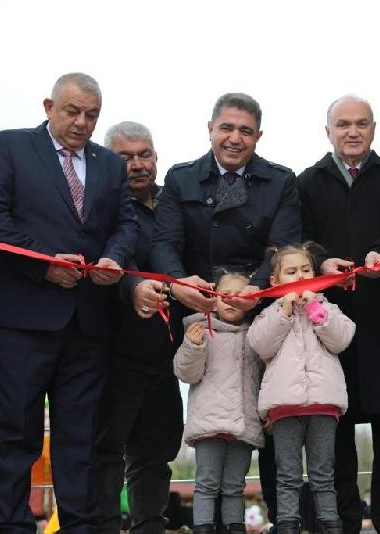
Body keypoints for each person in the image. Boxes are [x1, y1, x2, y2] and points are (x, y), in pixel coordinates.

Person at [0, 72, 138, 532]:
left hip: (87, 325)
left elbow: (126, 224)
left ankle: (78, 527)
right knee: (15, 435)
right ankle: (10, 526)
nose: (82, 122)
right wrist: (43, 264)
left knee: (80, 440)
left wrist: (114, 258)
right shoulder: (9, 146)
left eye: (92, 115)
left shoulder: (109, 164)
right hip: (18, 322)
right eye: (72, 111)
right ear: (49, 107)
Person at [151, 92, 300, 525]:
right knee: (204, 417)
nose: (235, 138)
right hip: (200, 314)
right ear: (210, 129)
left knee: (271, 419)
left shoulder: (281, 181)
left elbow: (283, 246)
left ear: (258, 136)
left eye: (246, 131)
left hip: (263, 315)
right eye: (227, 128)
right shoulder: (180, 179)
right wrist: (180, 284)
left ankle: (280, 520)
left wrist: (254, 290)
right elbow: (164, 243)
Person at [298, 95, 380, 534]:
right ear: (328, 132)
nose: (352, 131)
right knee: (334, 433)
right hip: (329, 324)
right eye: (343, 124)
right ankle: (343, 524)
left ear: (374, 128)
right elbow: (299, 239)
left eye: (361, 123)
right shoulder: (307, 183)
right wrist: (320, 262)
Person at [95, 122, 184, 533]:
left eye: (144, 154)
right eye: (125, 157)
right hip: (114, 353)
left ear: (156, 157)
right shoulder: (99, 205)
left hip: (167, 354)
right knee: (106, 453)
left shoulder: (173, 203)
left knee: (156, 454)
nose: (137, 164)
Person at [247, 243, 355, 534]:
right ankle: (287, 525)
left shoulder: (327, 307)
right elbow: (260, 345)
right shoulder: (268, 314)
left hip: (323, 404)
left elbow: (342, 339)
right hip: (284, 408)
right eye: (291, 271)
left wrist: (315, 309)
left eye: (306, 270)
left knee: (323, 473)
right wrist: (284, 311)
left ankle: (330, 525)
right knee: (288, 474)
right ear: (275, 281)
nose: (300, 276)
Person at [174, 272, 264, 534]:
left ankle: (234, 527)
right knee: (206, 483)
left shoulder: (257, 335)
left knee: (235, 485)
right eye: (225, 295)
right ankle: (203, 528)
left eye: (239, 295)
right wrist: (193, 346)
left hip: (244, 425)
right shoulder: (200, 330)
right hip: (209, 425)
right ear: (212, 299)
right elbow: (186, 373)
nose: (231, 300)